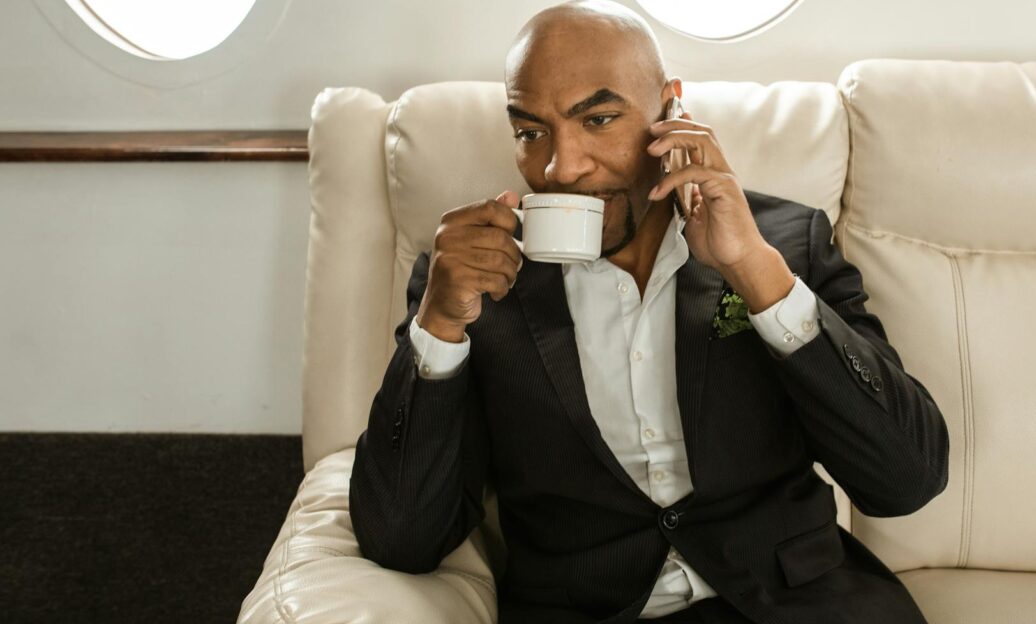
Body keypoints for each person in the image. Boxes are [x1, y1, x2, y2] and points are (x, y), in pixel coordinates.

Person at [348, 1, 950, 622]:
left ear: (671, 111)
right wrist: (439, 328)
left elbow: (907, 478)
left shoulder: (784, 244)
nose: (561, 167)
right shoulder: (471, 287)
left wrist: (758, 276)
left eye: (599, 119)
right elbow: (401, 537)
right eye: (531, 132)